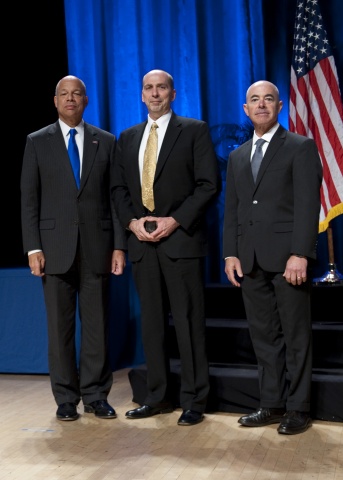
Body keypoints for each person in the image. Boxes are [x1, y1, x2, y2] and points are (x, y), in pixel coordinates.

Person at [111, 69, 220, 426]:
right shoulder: (127, 137)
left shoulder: (194, 130)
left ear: (173, 93)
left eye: (161, 88)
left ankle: (194, 399)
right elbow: (118, 190)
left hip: (181, 242)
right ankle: (157, 397)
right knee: (152, 324)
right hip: (142, 245)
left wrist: (175, 220)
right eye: (148, 88)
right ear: (141, 95)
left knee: (188, 324)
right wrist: (132, 223)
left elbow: (208, 185)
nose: (155, 93)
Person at [20, 75, 127, 421]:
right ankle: (66, 398)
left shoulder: (106, 141)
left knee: (97, 327)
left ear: (85, 100)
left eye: (76, 94)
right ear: (55, 101)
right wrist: (33, 247)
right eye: (64, 94)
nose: (70, 99)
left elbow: (115, 198)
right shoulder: (37, 142)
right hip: (53, 249)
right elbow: (29, 201)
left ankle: (96, 396)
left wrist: (119, 246)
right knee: (59, 329)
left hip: (98, 247)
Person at [223, 80, 323, 435]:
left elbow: (308, 205)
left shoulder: (300, 147)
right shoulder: (237, 156)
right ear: (246, 109)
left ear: (280, 106)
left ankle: (298, 408)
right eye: (254, 99)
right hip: (249, 260)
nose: (261, 104)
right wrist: (230, 253)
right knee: (263, 337)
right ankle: (271, 403)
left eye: (268, 99)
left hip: (287, 260)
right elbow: (233, 209)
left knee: (295, 335)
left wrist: (300, 253)